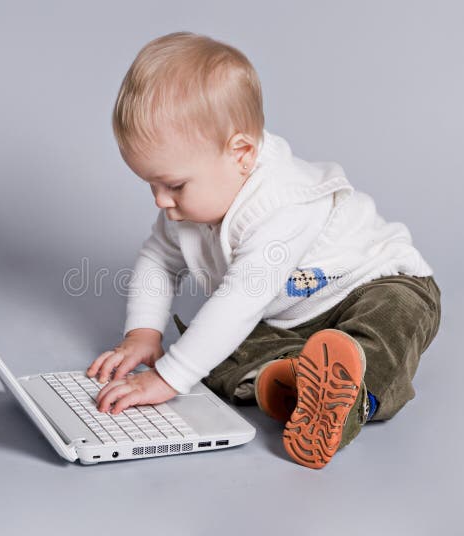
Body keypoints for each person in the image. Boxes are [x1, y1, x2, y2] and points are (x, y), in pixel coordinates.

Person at [86, 31, 442, 469]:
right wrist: (143, 333)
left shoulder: (282, 203)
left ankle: (350, 401)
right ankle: (292, 379)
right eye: (151, 185)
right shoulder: (188, 207)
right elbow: (157, 259)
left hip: (374, 283)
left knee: (389, 326)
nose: (160, 200)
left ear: (241, 153)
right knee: (215, 355)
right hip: (290, 318)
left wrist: (166, 378)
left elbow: (240, 300)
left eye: (174, 185)